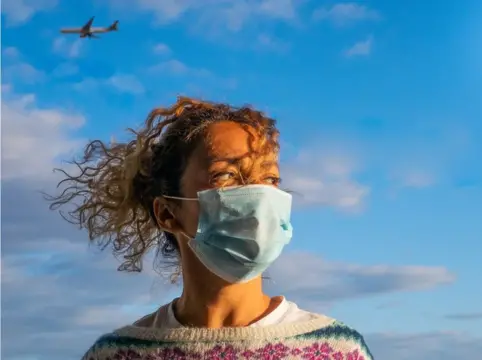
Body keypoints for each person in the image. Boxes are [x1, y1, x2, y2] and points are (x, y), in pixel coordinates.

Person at [48, 97, 373, 359]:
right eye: (226, 176)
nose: (258, 195)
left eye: (270, 178)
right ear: (167, 213)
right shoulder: (115, 355)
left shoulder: (337, 351)